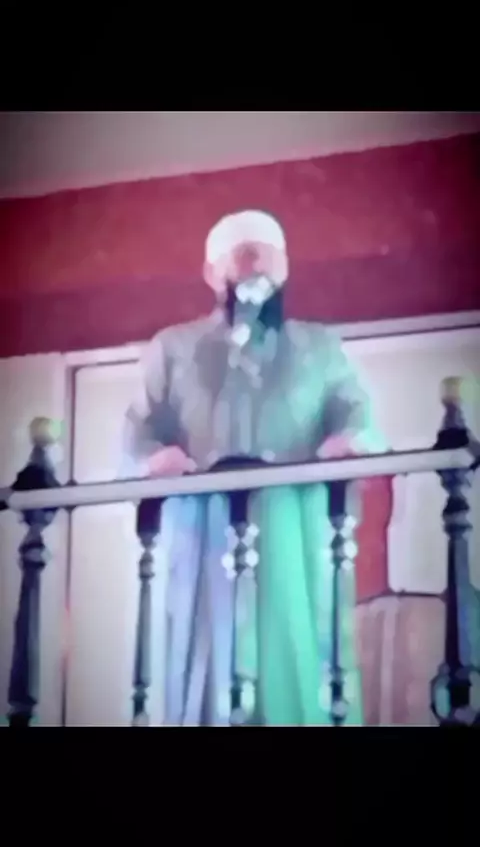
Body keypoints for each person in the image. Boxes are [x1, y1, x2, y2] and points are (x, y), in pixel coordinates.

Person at [121, 210, 387, 726]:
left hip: (295, 537)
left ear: (284, 269)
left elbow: (360, 419)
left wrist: (349, 441)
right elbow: (136, 436)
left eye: (265, 267)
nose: (254, 281)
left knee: (297, 665)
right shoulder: (173, 349)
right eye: (240, 268)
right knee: (203, 669)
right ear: (211, 274)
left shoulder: (319, 348)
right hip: (202, 538)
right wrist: (154, 458)